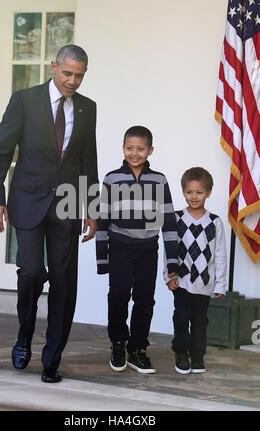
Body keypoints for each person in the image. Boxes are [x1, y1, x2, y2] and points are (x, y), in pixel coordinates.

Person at [0, 45, 98, 383]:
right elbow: (0, 151)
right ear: (54, 67)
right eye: (67, 73)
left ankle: (52, 358)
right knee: (31, 271)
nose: (72, 81)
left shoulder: (87, 107)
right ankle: (24, 335)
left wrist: (92, 209)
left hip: (67, 203)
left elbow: (88, 160)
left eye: (79, 75)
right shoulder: (24, 101)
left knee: (64, 282)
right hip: (28, 199)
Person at [96, 126, 178, 374]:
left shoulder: (159, 179)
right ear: (123, 148)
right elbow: (103, 219)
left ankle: (138, 349)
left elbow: (169, 221)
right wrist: (102, 258)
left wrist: (172, 262)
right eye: (129, 148)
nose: (134, 153)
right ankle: (118, 343)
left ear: (150, 150)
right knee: (118, 296)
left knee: (144, 300)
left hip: (147, 250)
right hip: (120, 247)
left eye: (140, 149)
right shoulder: (112, 178)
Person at [163, 167, 226, 374]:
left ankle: (197, 355)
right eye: (189, 192)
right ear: (183, 192)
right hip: (181, 280)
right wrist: (168, 276)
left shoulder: (214, 222)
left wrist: (220, 284)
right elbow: (169, 249)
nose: (194, 196)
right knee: (181, 317)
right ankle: (181, 352)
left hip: (204, 282)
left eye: (199, 192)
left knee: (199, 321)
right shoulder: (177, 218)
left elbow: (220, 256)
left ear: (208, 192)